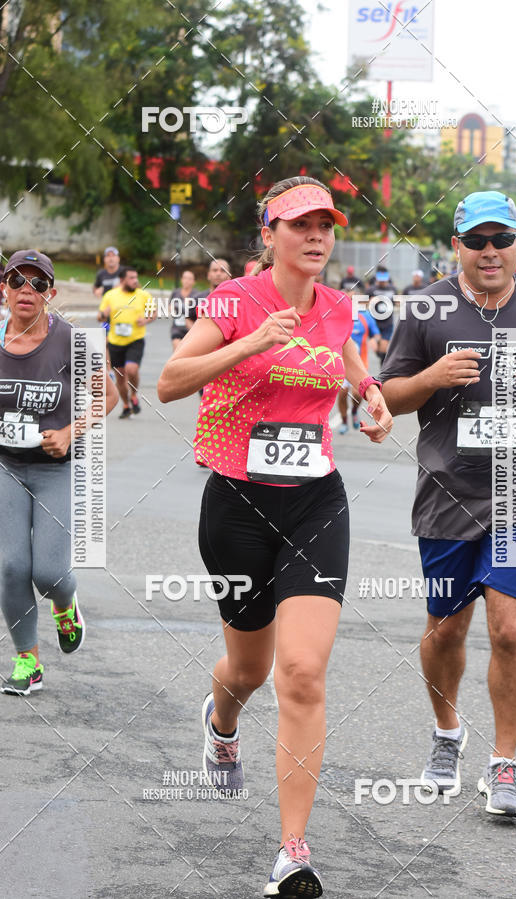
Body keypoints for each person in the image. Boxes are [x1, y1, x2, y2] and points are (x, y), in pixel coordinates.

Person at [158, 175, 392, 897]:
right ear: (269, 234)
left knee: (301, 671)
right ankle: (222, 716)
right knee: (250, 670)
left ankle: (293, 850)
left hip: (316, 500)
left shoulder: (339, 307)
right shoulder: (233, 301)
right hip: (236, 502)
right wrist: (253, 340)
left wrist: (373, 399)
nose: (317, 235)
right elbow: (169, 381)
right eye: (300, 224)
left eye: (325, 224)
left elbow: (356, 375)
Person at [381, 190, 516, 819]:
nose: (490, 252)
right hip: (447, 495)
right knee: (446, 629)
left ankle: (504, 764)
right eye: (477, 241)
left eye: (502, 239)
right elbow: (389, 395)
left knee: (510, 626)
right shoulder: (425, 308)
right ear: (457, 246)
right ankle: (448, 734)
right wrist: (431, 380)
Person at [0, 250, 118, 695]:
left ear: (50, 293)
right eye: (16, 281)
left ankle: (65, 606)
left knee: (48, 572)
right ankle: (26, 660)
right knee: (12, 566)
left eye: (36, 283)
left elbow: (107, 397)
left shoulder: (73, 340)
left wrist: (70, 430)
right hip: (7, 466)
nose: (25, 290)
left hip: (57, 469)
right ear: (3, 289)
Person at [97, 266, 156, 418]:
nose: (135, 281)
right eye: (131, 278)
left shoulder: (144, 295)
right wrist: (104, 313)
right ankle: (125, 404)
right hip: (116, 342)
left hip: (135, 339)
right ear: (122, 280)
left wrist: (146, 319)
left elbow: (153, 313)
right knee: (121, 377)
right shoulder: (111, 295)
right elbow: (100, 317)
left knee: (131, 369)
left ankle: (134, 394)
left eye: (136, 277)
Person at [337, 306, 380, 433]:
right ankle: (344, 422)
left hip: (360, 362)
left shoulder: (365, 316)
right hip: (341, 362)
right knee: (342, 394)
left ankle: (355, 410)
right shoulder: (338, 313)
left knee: (357, 394)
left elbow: (376, 333)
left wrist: (374, 339)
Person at [185, 258, 232, 330]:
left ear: (229, 276)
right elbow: (188, 318)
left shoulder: (235, 301)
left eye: (223, 271)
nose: (218, 273)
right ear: (208, 275)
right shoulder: (197, 299)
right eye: (215, 270)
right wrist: (197, 334)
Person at [367, 266, 396, 368]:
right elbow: (364, 304)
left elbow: (395, 304)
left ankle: (383, 372)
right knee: (377, 350)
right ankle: (381, 360)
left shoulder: (392, 289)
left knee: (384, 349)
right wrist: (372, 301)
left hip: (387, 323)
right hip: (374, 323)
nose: (383, 282)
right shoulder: (371, 290)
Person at [169, 270, 201, 350]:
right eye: (185, 278)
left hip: (191, 329)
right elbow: (170, 307)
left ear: (194, 282)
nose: (187, 281)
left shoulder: (197, 295)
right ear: (181, 279)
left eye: (190, 279)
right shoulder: (175, 293)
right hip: (177, 328)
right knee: (177, 350)